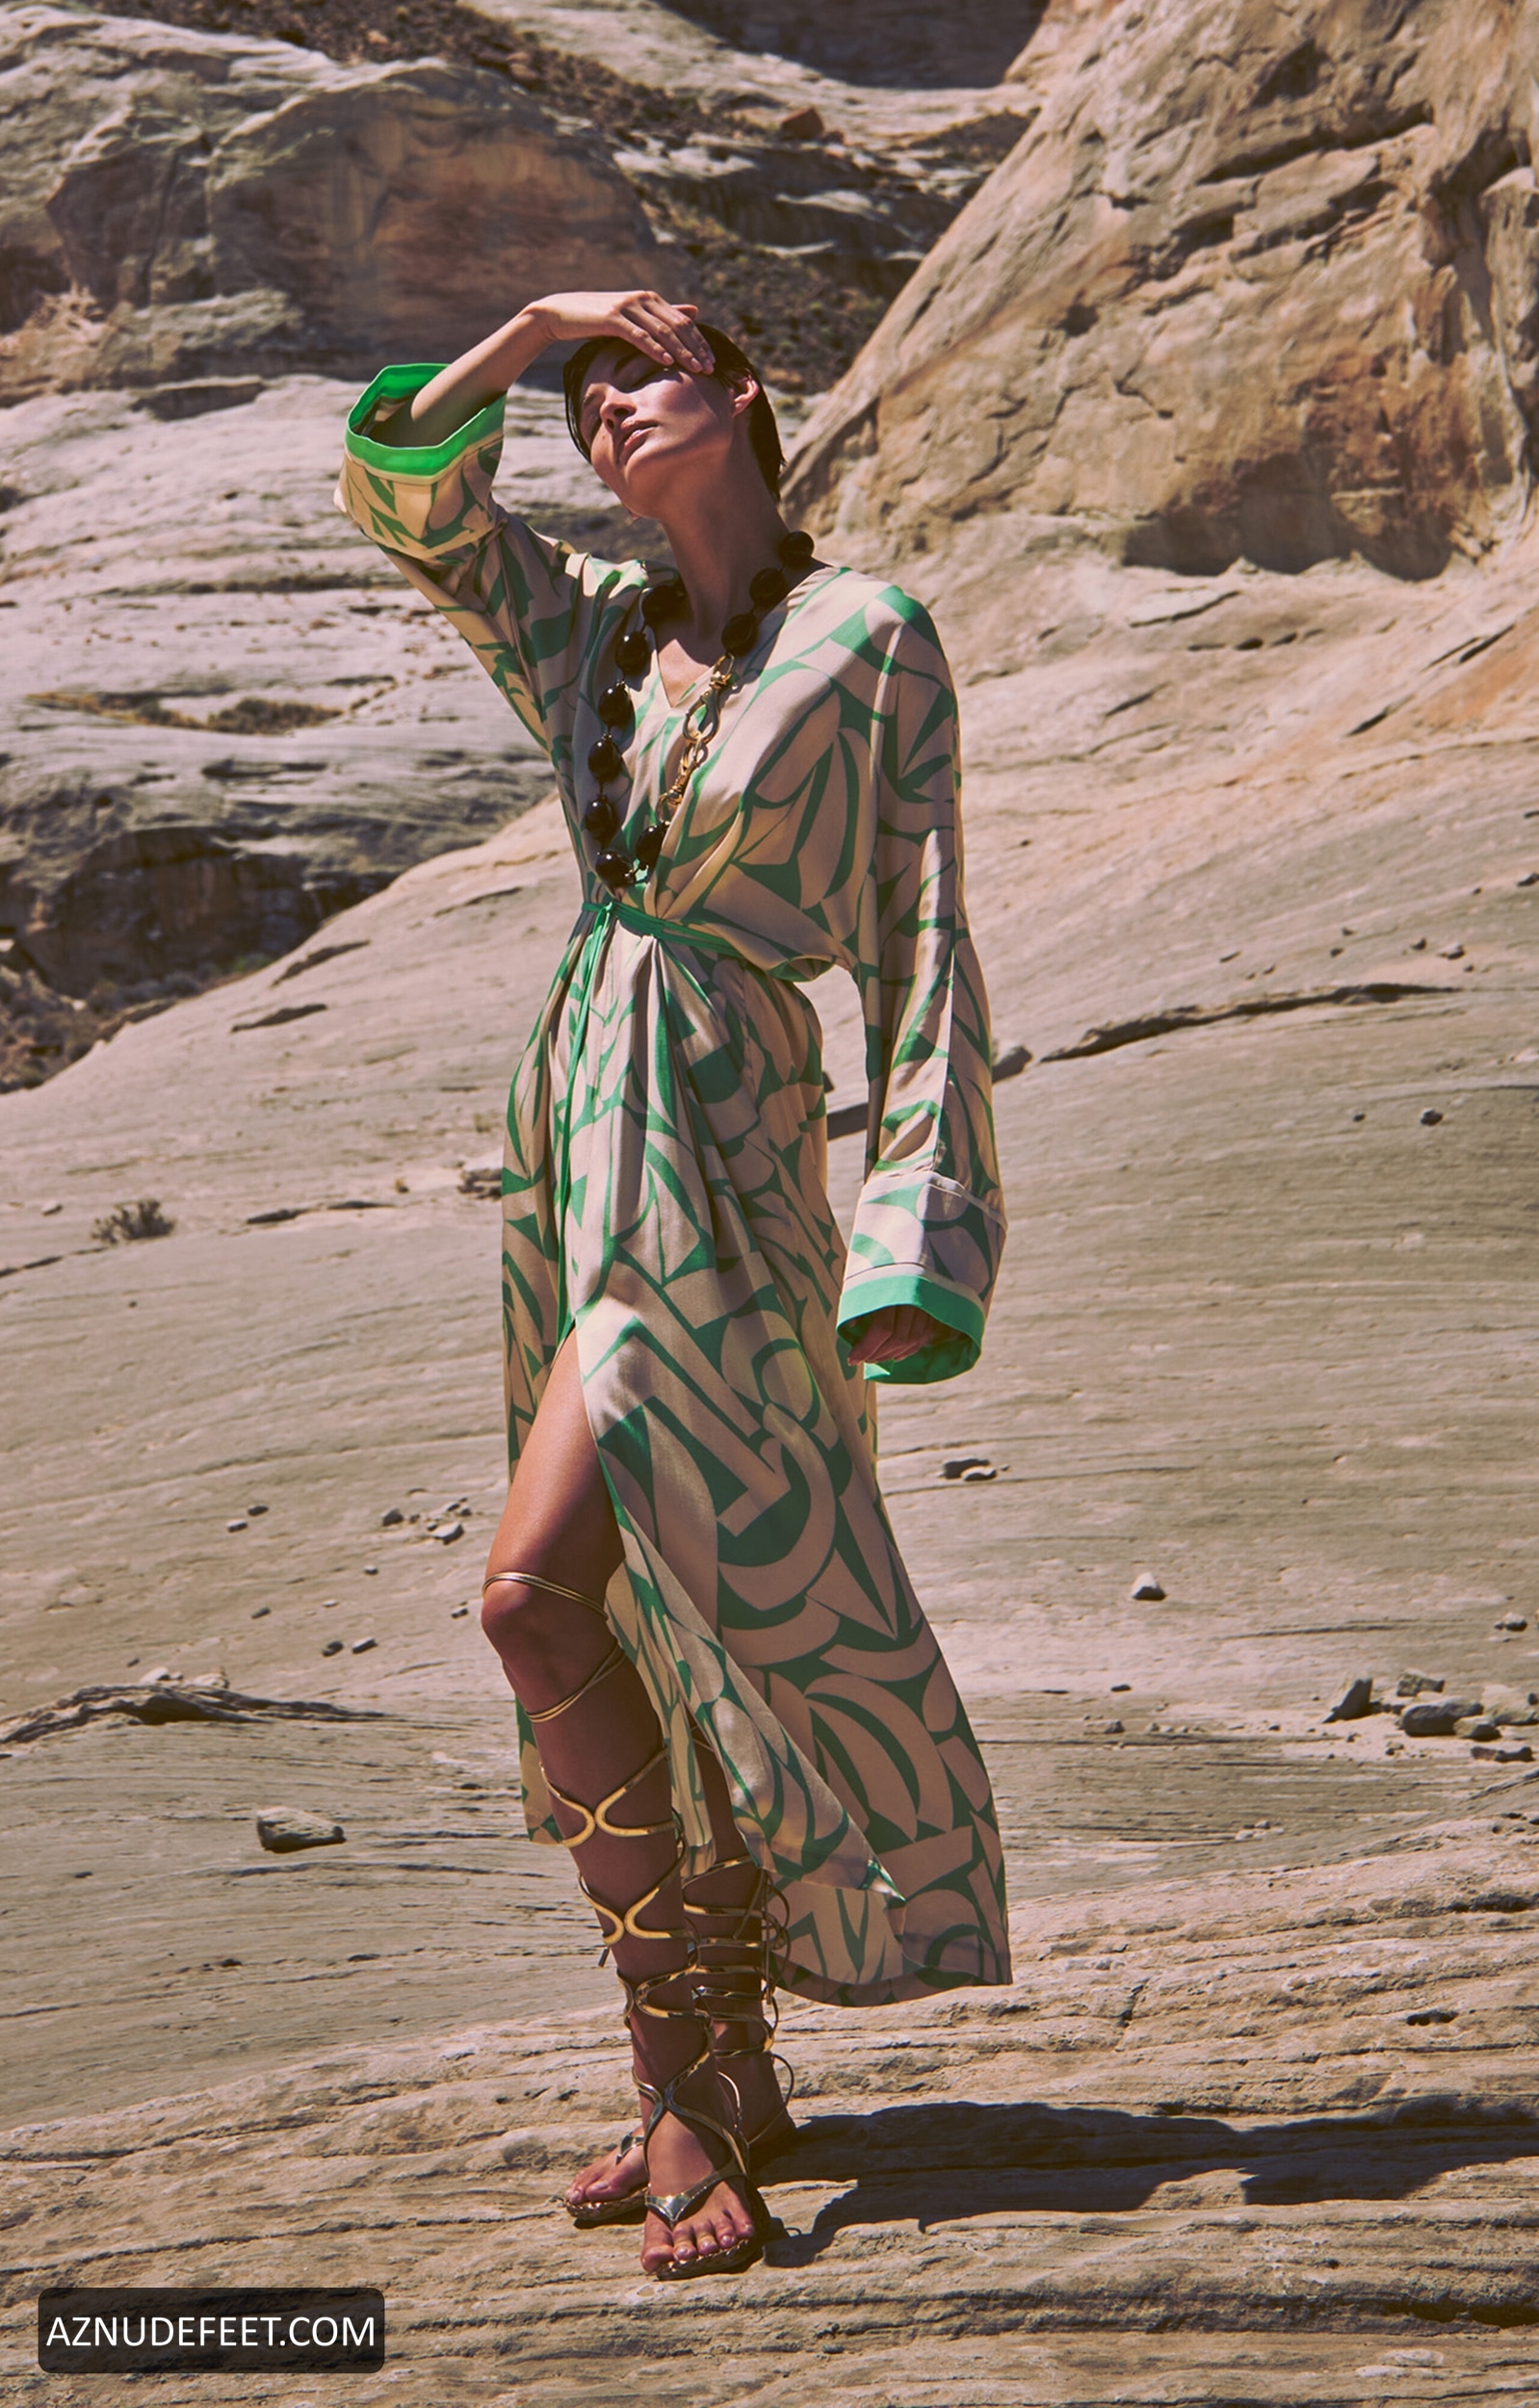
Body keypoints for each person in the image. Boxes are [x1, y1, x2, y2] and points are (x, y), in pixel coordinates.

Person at [336, 289, 1009, 2282]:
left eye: (640, 368)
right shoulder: (594, 633)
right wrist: (523, 326)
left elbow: (922, 932)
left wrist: (914, 1228)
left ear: (742, 391)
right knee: (611, 1606)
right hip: (576, 1129)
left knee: (537, 1591)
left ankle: (684, 2070)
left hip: (730, 1136)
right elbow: (410, 495)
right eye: (586, 399)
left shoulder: (868, 636)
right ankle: (711, 2066)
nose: (607, 408)